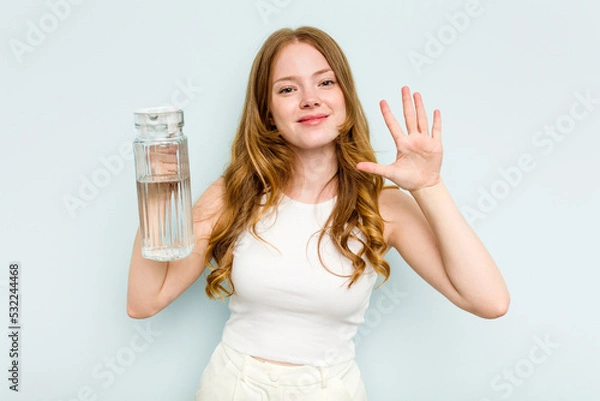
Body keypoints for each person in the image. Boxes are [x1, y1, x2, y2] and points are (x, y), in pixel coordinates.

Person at [126, 26, 510, 400]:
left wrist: (429, 187)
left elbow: (489, 301)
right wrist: (157, 191)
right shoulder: (233, 194)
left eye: (325, 83)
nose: (309, 99)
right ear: (268, 113)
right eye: (288, 89)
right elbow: (144, 302)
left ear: (346, 97)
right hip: (232, 387)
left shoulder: (384, 206)